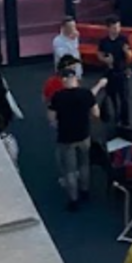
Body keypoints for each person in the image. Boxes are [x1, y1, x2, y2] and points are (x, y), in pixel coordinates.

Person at [49, 69, 107, 210]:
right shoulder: (86, 94)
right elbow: (96, 114)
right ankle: (85, 191)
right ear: (76, 78)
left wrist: (59, 124)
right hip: (83, 134)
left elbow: (51, 118)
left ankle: (73, 199)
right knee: (84, 164)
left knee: (70, 170)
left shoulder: (58, 96)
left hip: (66, 137)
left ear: (63, 80)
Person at [97, 16, 132, 126]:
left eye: (118, 27)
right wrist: (105, 60)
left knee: (124, 97)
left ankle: (125, 120)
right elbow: (99, 54)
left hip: (121, 71)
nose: (117, 29)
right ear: (108, 28)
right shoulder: (104, 41)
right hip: (110, 72)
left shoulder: (123, 40)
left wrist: (126, 52)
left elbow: (130, 55)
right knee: (112, 96)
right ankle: (115, 116)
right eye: (114, 27)